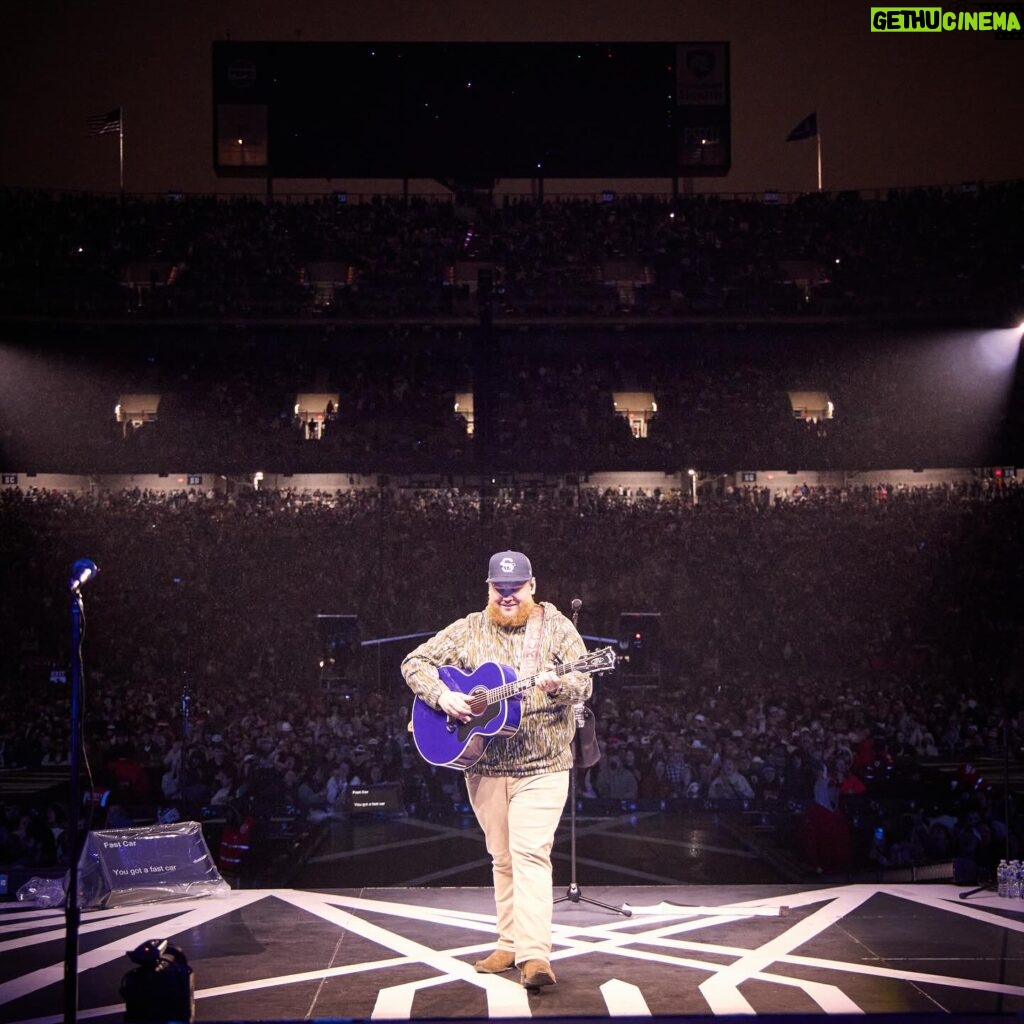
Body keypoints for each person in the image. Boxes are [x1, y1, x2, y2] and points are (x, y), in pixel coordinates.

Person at [401, 550, 592, 990]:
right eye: (499, 589)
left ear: (533, 586)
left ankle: (535, 955)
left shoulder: (557, 628)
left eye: (516, 589)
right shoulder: (469, 627)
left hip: (542, 765)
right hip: (484, 763)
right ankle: (509, 942)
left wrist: (558, 684)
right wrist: (440, 697)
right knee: (502, 857)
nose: (507, 597)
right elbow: (414, 662)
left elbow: (584, 681)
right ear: (488, 588)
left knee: (529, 854)